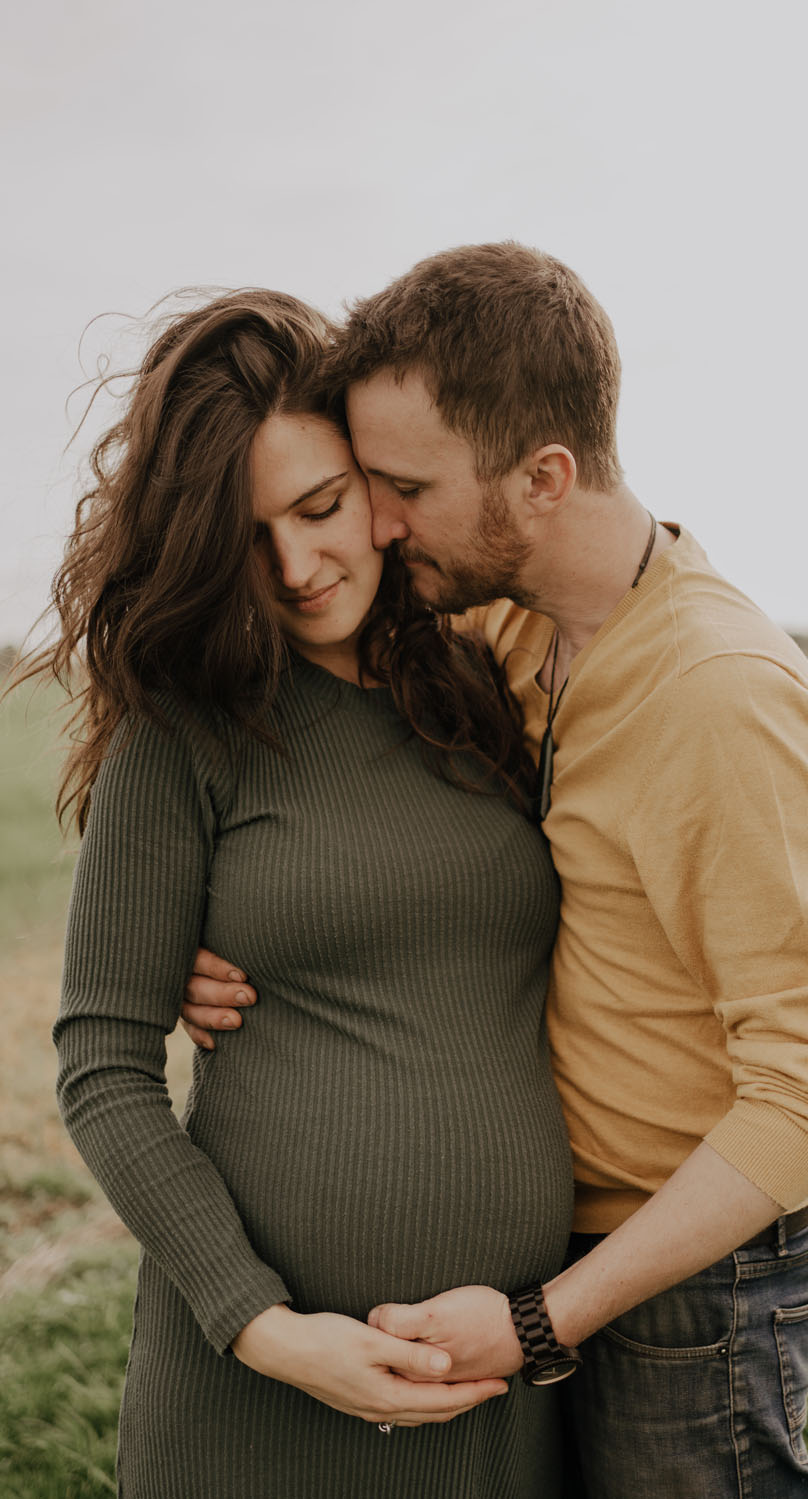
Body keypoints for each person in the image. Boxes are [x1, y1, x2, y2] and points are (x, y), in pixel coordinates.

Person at [184, 244, 808, 1498]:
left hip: (689, 1291)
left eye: (404, 485)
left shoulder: (721, 699)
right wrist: (228, 941)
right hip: (555, 1259)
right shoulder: (497, 624)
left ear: (544, 477)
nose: (379, 522)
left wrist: (541, 1318)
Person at [26, 289, 576, 1498]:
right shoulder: (185, 732)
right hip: (254, 1386)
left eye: (322, 506)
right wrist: (267, 1326)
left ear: (381, 481)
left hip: (498, 1374)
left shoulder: (492, 684)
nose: (294, 565)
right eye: (247, 532)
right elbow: (103, 1066)